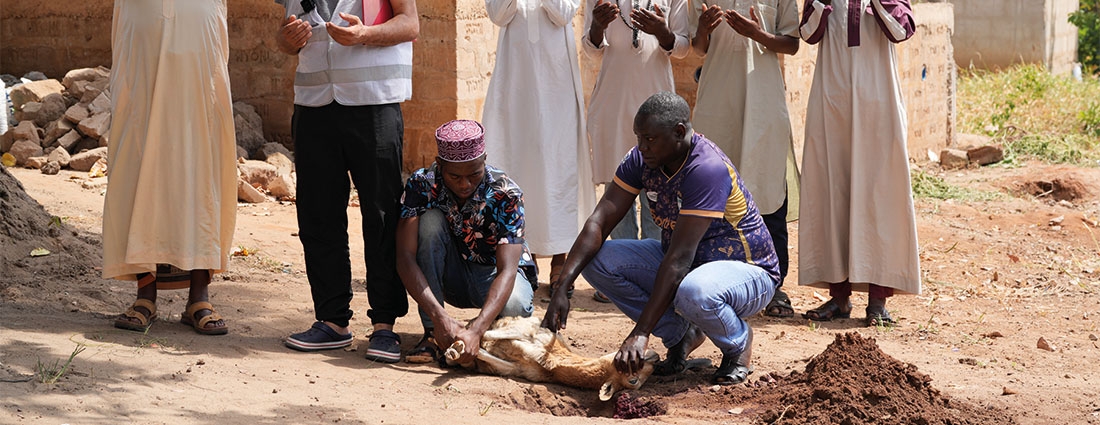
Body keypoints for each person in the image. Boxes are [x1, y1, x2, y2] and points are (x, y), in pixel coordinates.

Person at [543, 92, 780, 386]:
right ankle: (680, 335)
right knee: (598, 262)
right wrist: (563, 287)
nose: (642, 147)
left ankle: (737, 344)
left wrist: (640, 333)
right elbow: (599, 221)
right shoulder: (641, 159)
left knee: (696, 291)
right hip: (687, 266)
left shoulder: (706, 168)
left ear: (679, 132)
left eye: (650, 139)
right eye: (639, 138)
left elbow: (680, 260)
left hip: (747, 272)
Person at [275, 0, 418, 362]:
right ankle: (331, 321)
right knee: (317, 214)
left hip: (374, 102)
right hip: (313, 104)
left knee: (383, 215)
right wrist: (287, 40)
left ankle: (385, 326)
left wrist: (364, 35)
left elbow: (409, 24)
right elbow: (283, 39)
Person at [105, 0, 235, 336]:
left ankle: (199, 296)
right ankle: (144, 294)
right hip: (141, 22)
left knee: (200, 155)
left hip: (198, 25)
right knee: (141, 154)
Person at [797, 0, 920, 326]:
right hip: (832, 102)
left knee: (879, 196)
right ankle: (839, 298)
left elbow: (901, 30)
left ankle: (878, 302)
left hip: (877, 105)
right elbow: (808, 34)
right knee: (833, 191)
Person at [688, 0, 801, 318]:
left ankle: (774, 285)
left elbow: (792, 44)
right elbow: (698, 48)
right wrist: (703, 30)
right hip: (717, 101)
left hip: (764, 100)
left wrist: (757, 34)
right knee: (713, 187)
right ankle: (713, 281)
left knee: (767, 186)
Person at [395, 120, 536, 365]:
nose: (465, 184)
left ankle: (473, 332)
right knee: (429, 222)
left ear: (484, 160)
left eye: (474, 174)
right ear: (440, 165)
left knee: (516, 307)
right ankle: (432, 334)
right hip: (450, 277)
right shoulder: (422, 184)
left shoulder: (506, 192)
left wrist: (476, 330)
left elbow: (507, 271)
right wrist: (439, 318)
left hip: (492, 277)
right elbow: (404, 258)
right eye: (454, 176)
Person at [482, 0, 597, 294]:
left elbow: (563, 14)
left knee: (559, 164)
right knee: (518, 163)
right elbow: (498, 14)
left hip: (555, 81)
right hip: (515, 83)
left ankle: (560, 259)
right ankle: (525, 258)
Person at [582, 0, 690, 302]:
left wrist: (662, 32)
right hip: (613, 106)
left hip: (658, 103)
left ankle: (655, 271)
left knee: (659, 190)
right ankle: (619, 271)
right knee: (618, 192)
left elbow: (682, 47)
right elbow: (591, 49)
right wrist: (597, 26)